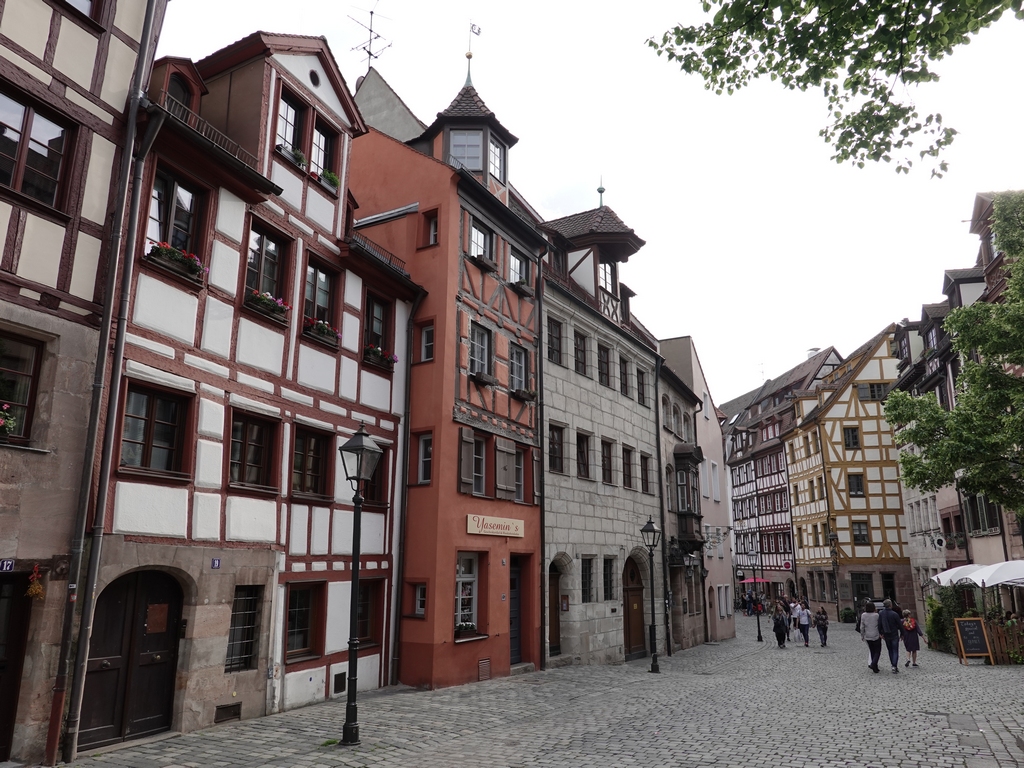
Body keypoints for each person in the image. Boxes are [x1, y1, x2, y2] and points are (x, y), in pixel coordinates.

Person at [878, 598, 903, 673]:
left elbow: (879, 624)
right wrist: (902, 633)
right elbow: (900, 625)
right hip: (894, 634)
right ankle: (894, 666)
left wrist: (880, 633)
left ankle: (893, 665)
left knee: (890, 650)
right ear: (890, 605)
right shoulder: (894, 614)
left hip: (886, 634)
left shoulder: (881, 613)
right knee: (895, 650)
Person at [859, 600, 882, 673]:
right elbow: (879, 625)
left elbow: (862, 627)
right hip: (876, 635)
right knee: (877, 651)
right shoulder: (876, 615)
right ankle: (873, 664)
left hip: (868, 635)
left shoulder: (863, 615)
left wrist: (862, 635)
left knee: (872, 651)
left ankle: (875, 667)